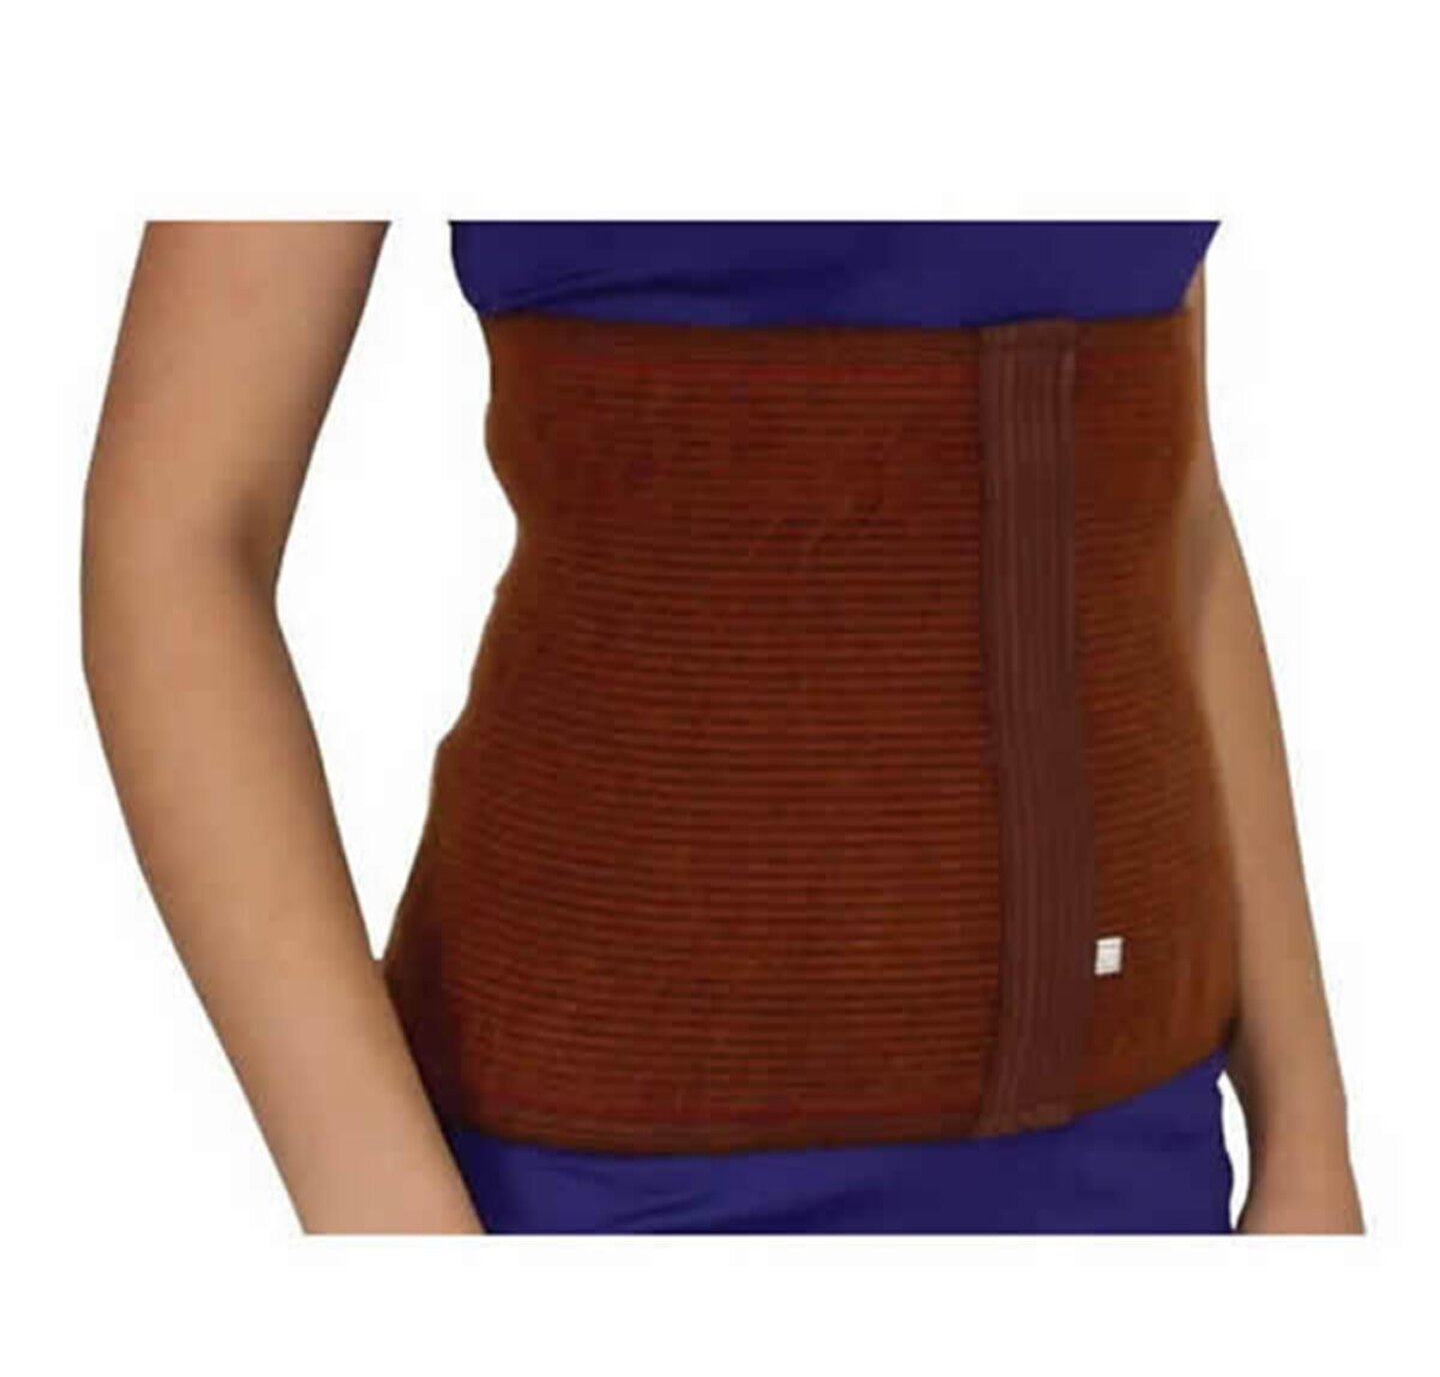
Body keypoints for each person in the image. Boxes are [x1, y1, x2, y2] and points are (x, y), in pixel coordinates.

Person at [80, 219, 1365, 1235]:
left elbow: (1167, 512)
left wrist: (1308, 1133)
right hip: (596, 1191)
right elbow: (177, 539)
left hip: (1128, 1160)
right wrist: (387, 1221)